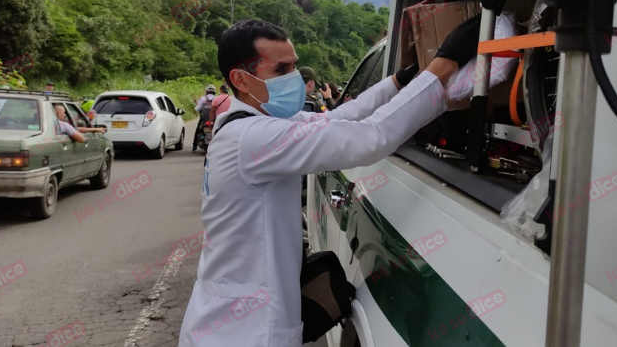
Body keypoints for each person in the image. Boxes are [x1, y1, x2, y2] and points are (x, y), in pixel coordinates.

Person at [178, 17, 480, 347]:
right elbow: (371, 137)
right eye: (281, 70)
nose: (293, 78)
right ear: (240, 79)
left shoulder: (248, 120)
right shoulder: (252, 138)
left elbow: (336, 119)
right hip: (243, 328)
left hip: (231, 314)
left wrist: (399, 80)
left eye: (294, 66)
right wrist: (446, 63)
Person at [193, 85, 216, 151]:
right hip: (214, 119)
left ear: (206, 91)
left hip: (204, 118)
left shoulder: (203, 98)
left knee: (197, 130)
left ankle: (194, 146)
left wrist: (195, 110)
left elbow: (197, 108)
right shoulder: (216, 98)